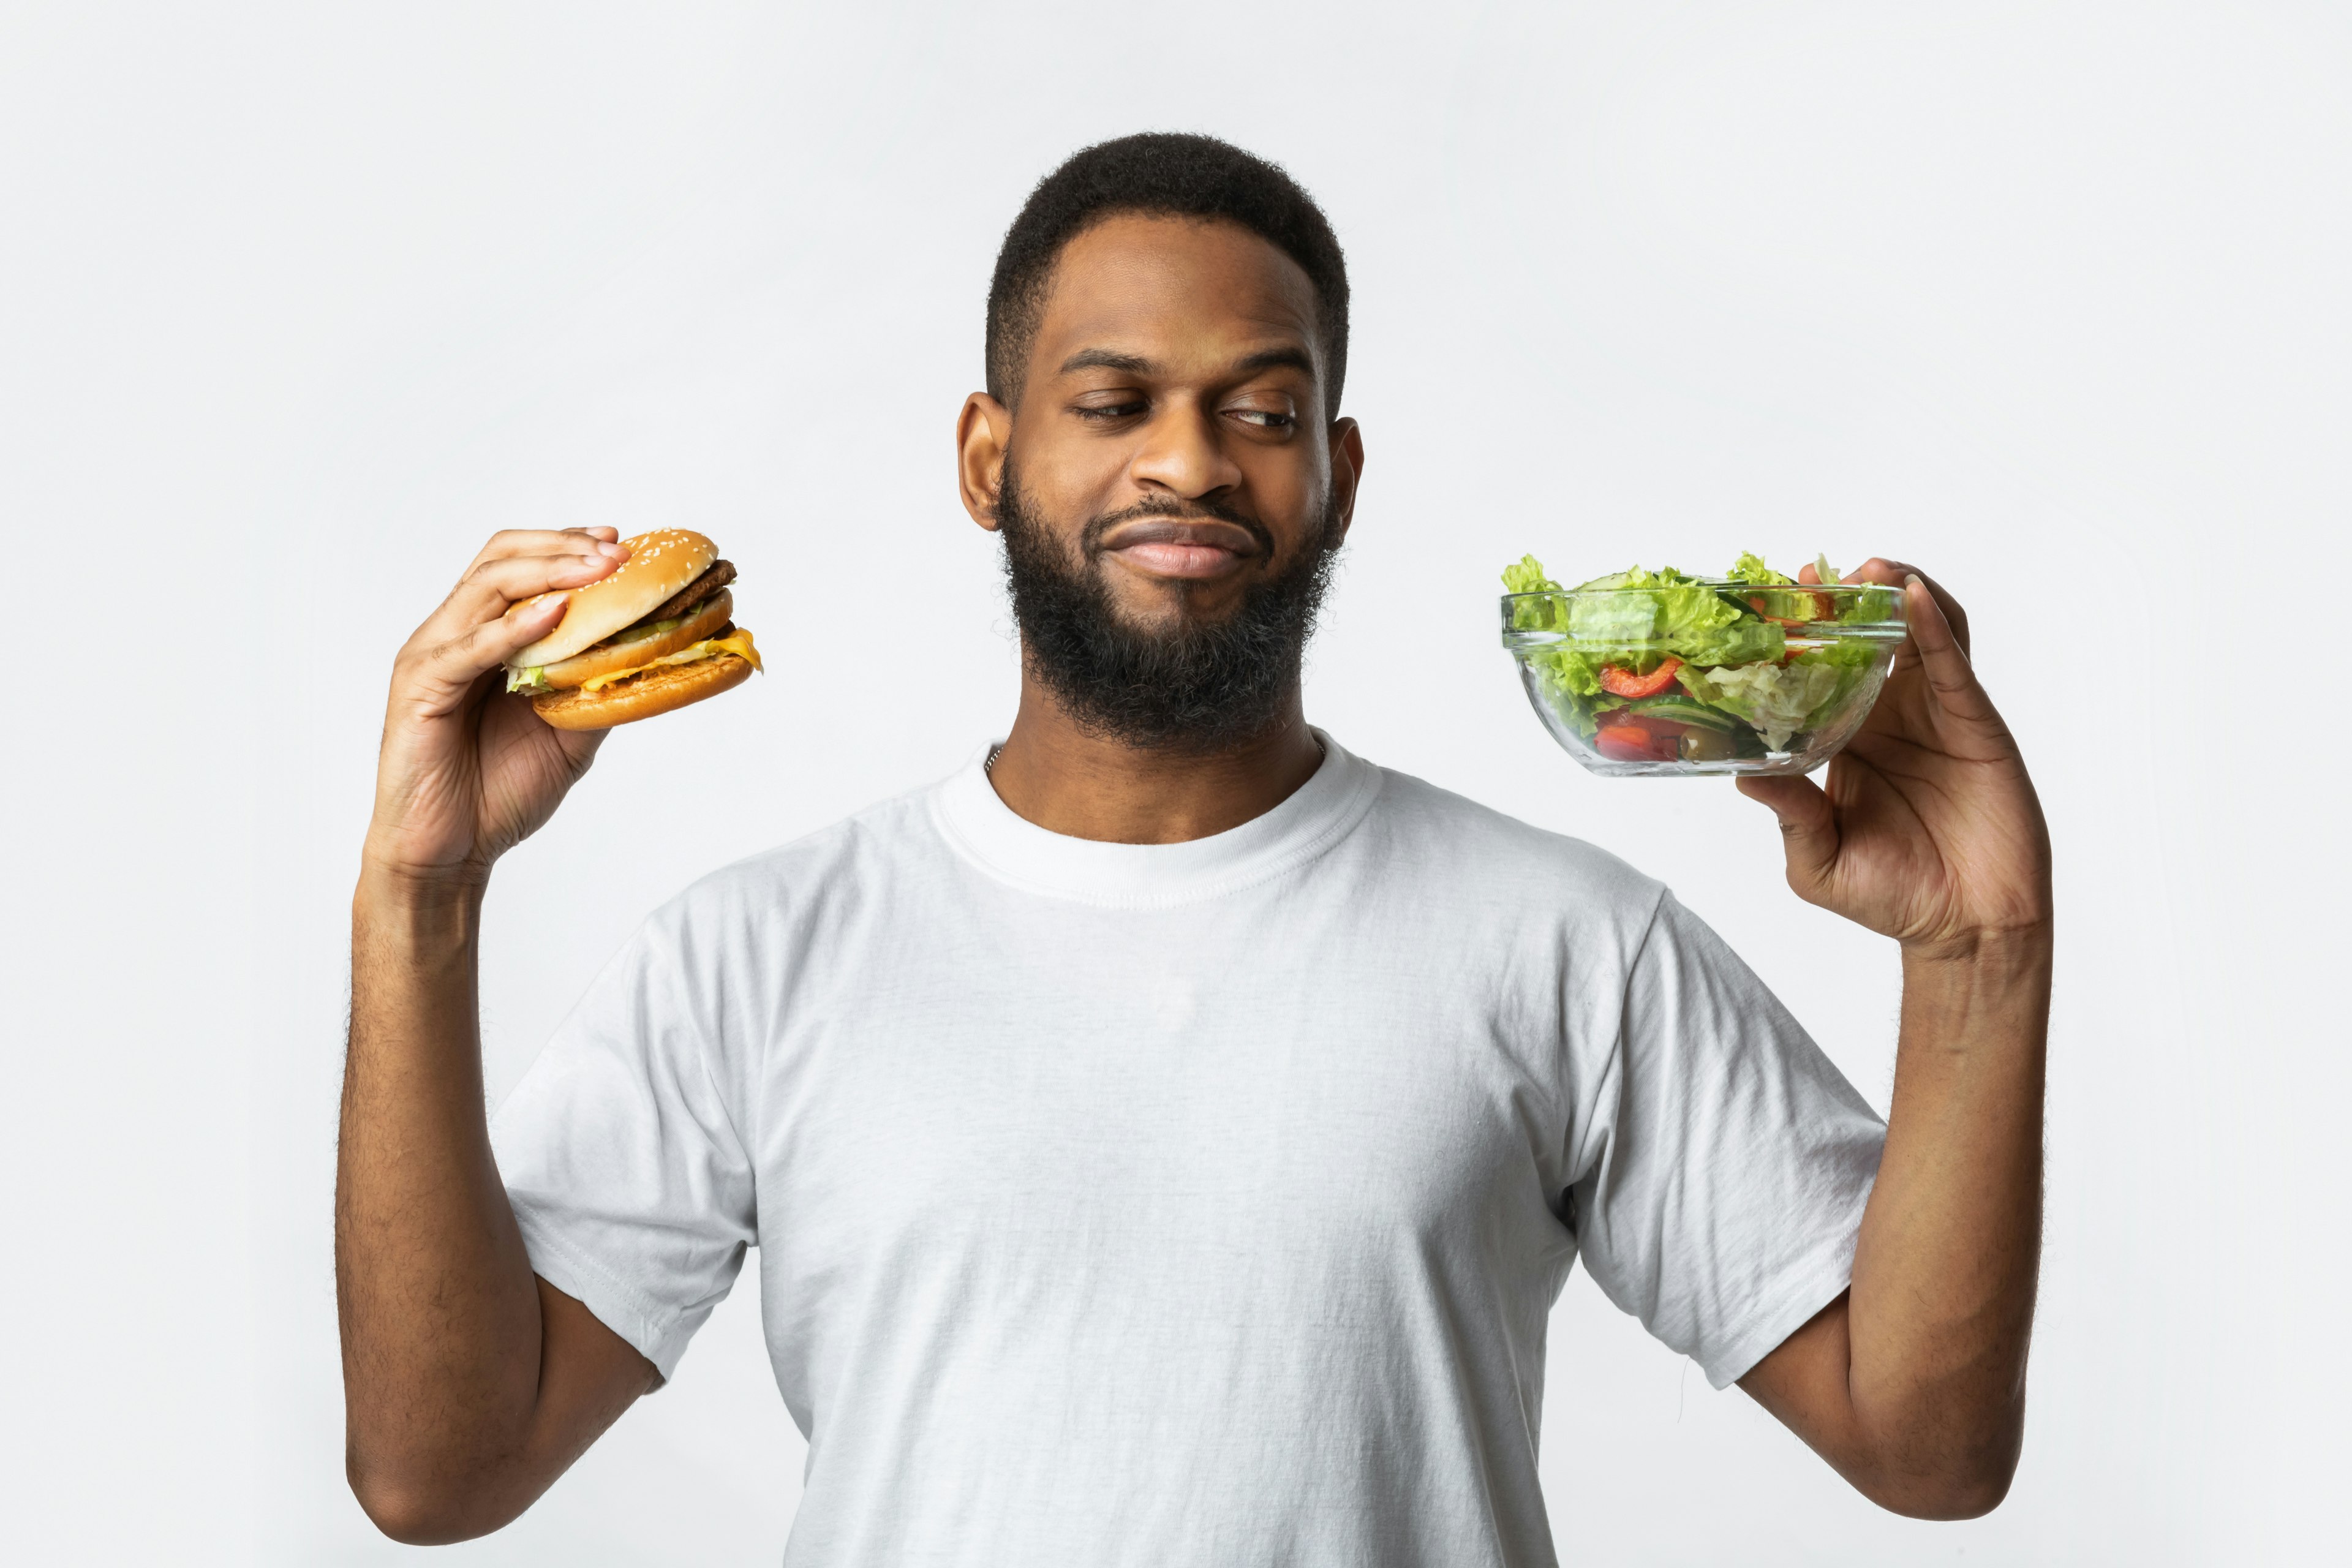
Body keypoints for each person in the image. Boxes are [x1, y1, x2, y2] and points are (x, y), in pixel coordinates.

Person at [337, 133, 2051, 1563]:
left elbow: (1925, 1445)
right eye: (1114, 401)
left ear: (1338, 472)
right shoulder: (753, 952)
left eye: (1259, 409)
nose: (1188, 462)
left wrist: (1982, 952)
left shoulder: (1563, 941)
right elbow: (438, 1472)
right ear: (988, 457)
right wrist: (424, 896)